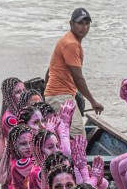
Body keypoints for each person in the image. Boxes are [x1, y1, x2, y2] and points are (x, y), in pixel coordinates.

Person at [43, 8, 103, 139]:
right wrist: (93, 102)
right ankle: (70, 159)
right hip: (60, 95)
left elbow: (50, 70)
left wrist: (46, 93)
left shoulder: (69, 41)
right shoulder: (71, 44)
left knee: (64, 132)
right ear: (71, 24)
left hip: (57, 94)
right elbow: (78, 78)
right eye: (80, 23)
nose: (84, 27)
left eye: (87, 24)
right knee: (77, 134)